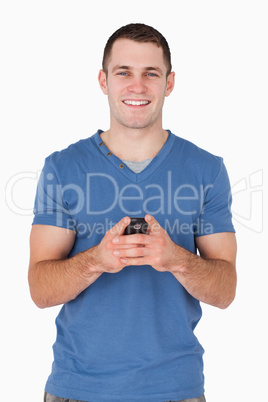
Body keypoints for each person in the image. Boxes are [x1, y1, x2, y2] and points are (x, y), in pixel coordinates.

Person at [28, 23, 237, 402]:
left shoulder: (207, 170)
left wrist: (176, 259)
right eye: (123, 72)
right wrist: (97, 260)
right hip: (78, 389)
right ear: (103, 81)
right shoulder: (62, 168)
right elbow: (40, 290)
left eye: (150, 74)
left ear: (169, 83)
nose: (137, 86)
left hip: (176, 390)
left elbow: (226, 291)